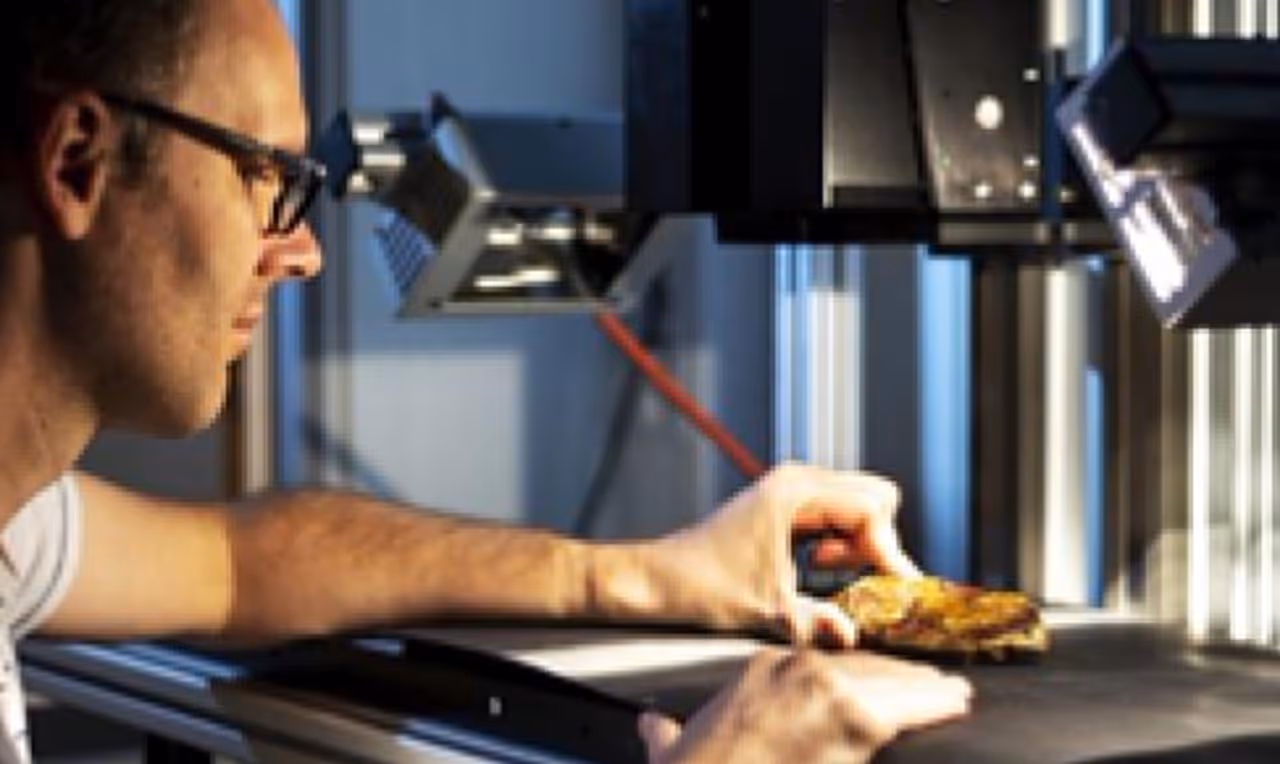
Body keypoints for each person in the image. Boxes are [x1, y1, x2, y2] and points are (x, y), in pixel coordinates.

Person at [0, 1, 973, 762]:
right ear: (76, 159)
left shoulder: (17, 521)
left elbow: (241, 559)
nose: (301, 254)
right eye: (264, 177)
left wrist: (649, 572)